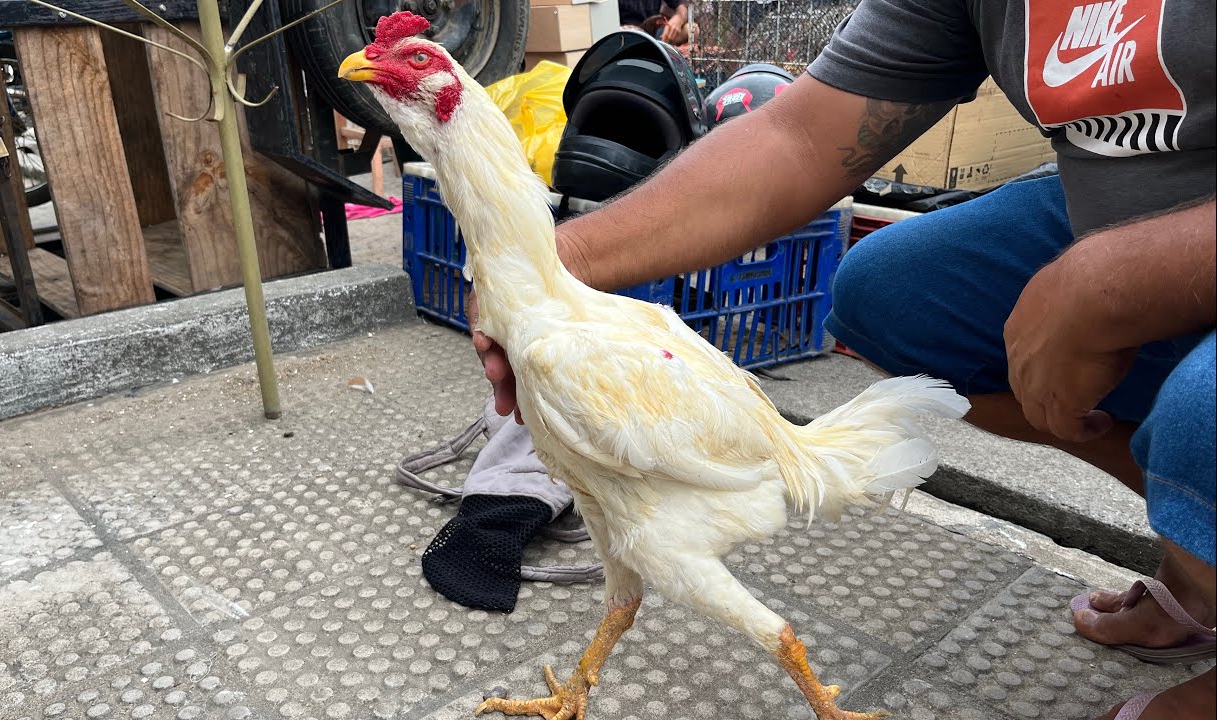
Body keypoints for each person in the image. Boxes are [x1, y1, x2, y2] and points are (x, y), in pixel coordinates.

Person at [468, 1, 1216, 718]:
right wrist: (548, 266)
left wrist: (1113, 284)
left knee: (1203, 414)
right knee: (886, 290)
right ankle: (1199, 546)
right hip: (1097, 205)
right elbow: (801, 138)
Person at [618, 0, 691, 46]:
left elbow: (681, 8)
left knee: (691, 29)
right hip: (622, 35)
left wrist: (679, 18)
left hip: (652, 35)